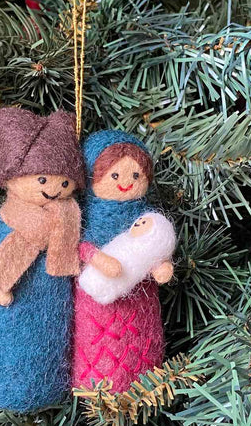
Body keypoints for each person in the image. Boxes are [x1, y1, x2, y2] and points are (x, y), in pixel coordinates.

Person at [0, 108, 84, 411]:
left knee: (45, 348)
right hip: (0, 304)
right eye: (42, 178)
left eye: (65, 183)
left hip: (50, 304)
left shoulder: (67, 222)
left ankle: (45, 389)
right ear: (12, 179)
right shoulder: (4, 221)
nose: (54, 189)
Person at [72, 130, 174, 392]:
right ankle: (95, 385)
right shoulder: (86, 214)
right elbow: (80, 246)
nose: (125, 183)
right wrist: (97, 258)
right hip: (97, 298)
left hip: (140, 298)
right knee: (98, 342)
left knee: (140, 339)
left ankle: (146, 377)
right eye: (115, 175)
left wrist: (160, 266)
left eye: (136, 175)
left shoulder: (146, 216)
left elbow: (153, 244)